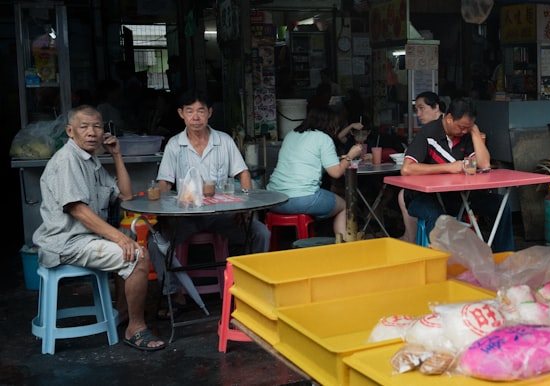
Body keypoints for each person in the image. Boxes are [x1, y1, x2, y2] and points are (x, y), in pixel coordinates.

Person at [32, 105, 166, 351]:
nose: (92, 132)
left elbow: (125, 194)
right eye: (84, 127)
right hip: (67, 242)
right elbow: (78, 210)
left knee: (128, 240)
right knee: (137, 255)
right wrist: (120, 239)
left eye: (97, 126)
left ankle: (123, 312)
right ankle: (135, 329)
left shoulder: (90, 161)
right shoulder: (67, 160)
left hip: (87, 238)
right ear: (70, 131)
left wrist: (116, 155)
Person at [148, 89, 270, 316]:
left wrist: (245, 208)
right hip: (186, 218)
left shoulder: (223, 141)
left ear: (210, 113)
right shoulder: (175, 145)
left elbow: (243, 174)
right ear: (181, 114)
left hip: (223, 216)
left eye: (201, 111)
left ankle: (251, 289)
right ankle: (174, 293)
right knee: (155, 241)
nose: (195, 117)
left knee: (260, 232)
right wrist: (164, 213)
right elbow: (164, 183)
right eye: (190, 111)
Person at [401, 98, 515, 252]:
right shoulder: (428, 133)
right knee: (436, 217)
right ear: (449, 119)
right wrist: (448, 167)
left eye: (468, 128)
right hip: (422, 197)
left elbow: (484, 164)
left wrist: (474, 133)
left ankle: (504, 255)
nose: (464, 131)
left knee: (500, 204)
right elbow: (407, 169)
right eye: (461, 127)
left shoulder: (466, 134)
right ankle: (438, 265)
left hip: (456, 197)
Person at [267, 107, 363, 241]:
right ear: (330, 124)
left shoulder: (291, 134)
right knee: (344, 206)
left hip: (274, 199)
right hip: (301, 199)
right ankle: (345, 246)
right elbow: (336, 173)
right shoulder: (323, 139)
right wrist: (350, 155)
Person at [396, 91, 446, 242]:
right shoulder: (429, 130)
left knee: (403, 195)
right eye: (416, 110)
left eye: (422, 108)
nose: (418, 113)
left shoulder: (436, 129)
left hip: (444, 190)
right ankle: (411, 237)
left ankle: (412, 241)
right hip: (437, 186)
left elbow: (407, 169)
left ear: (436, 107)